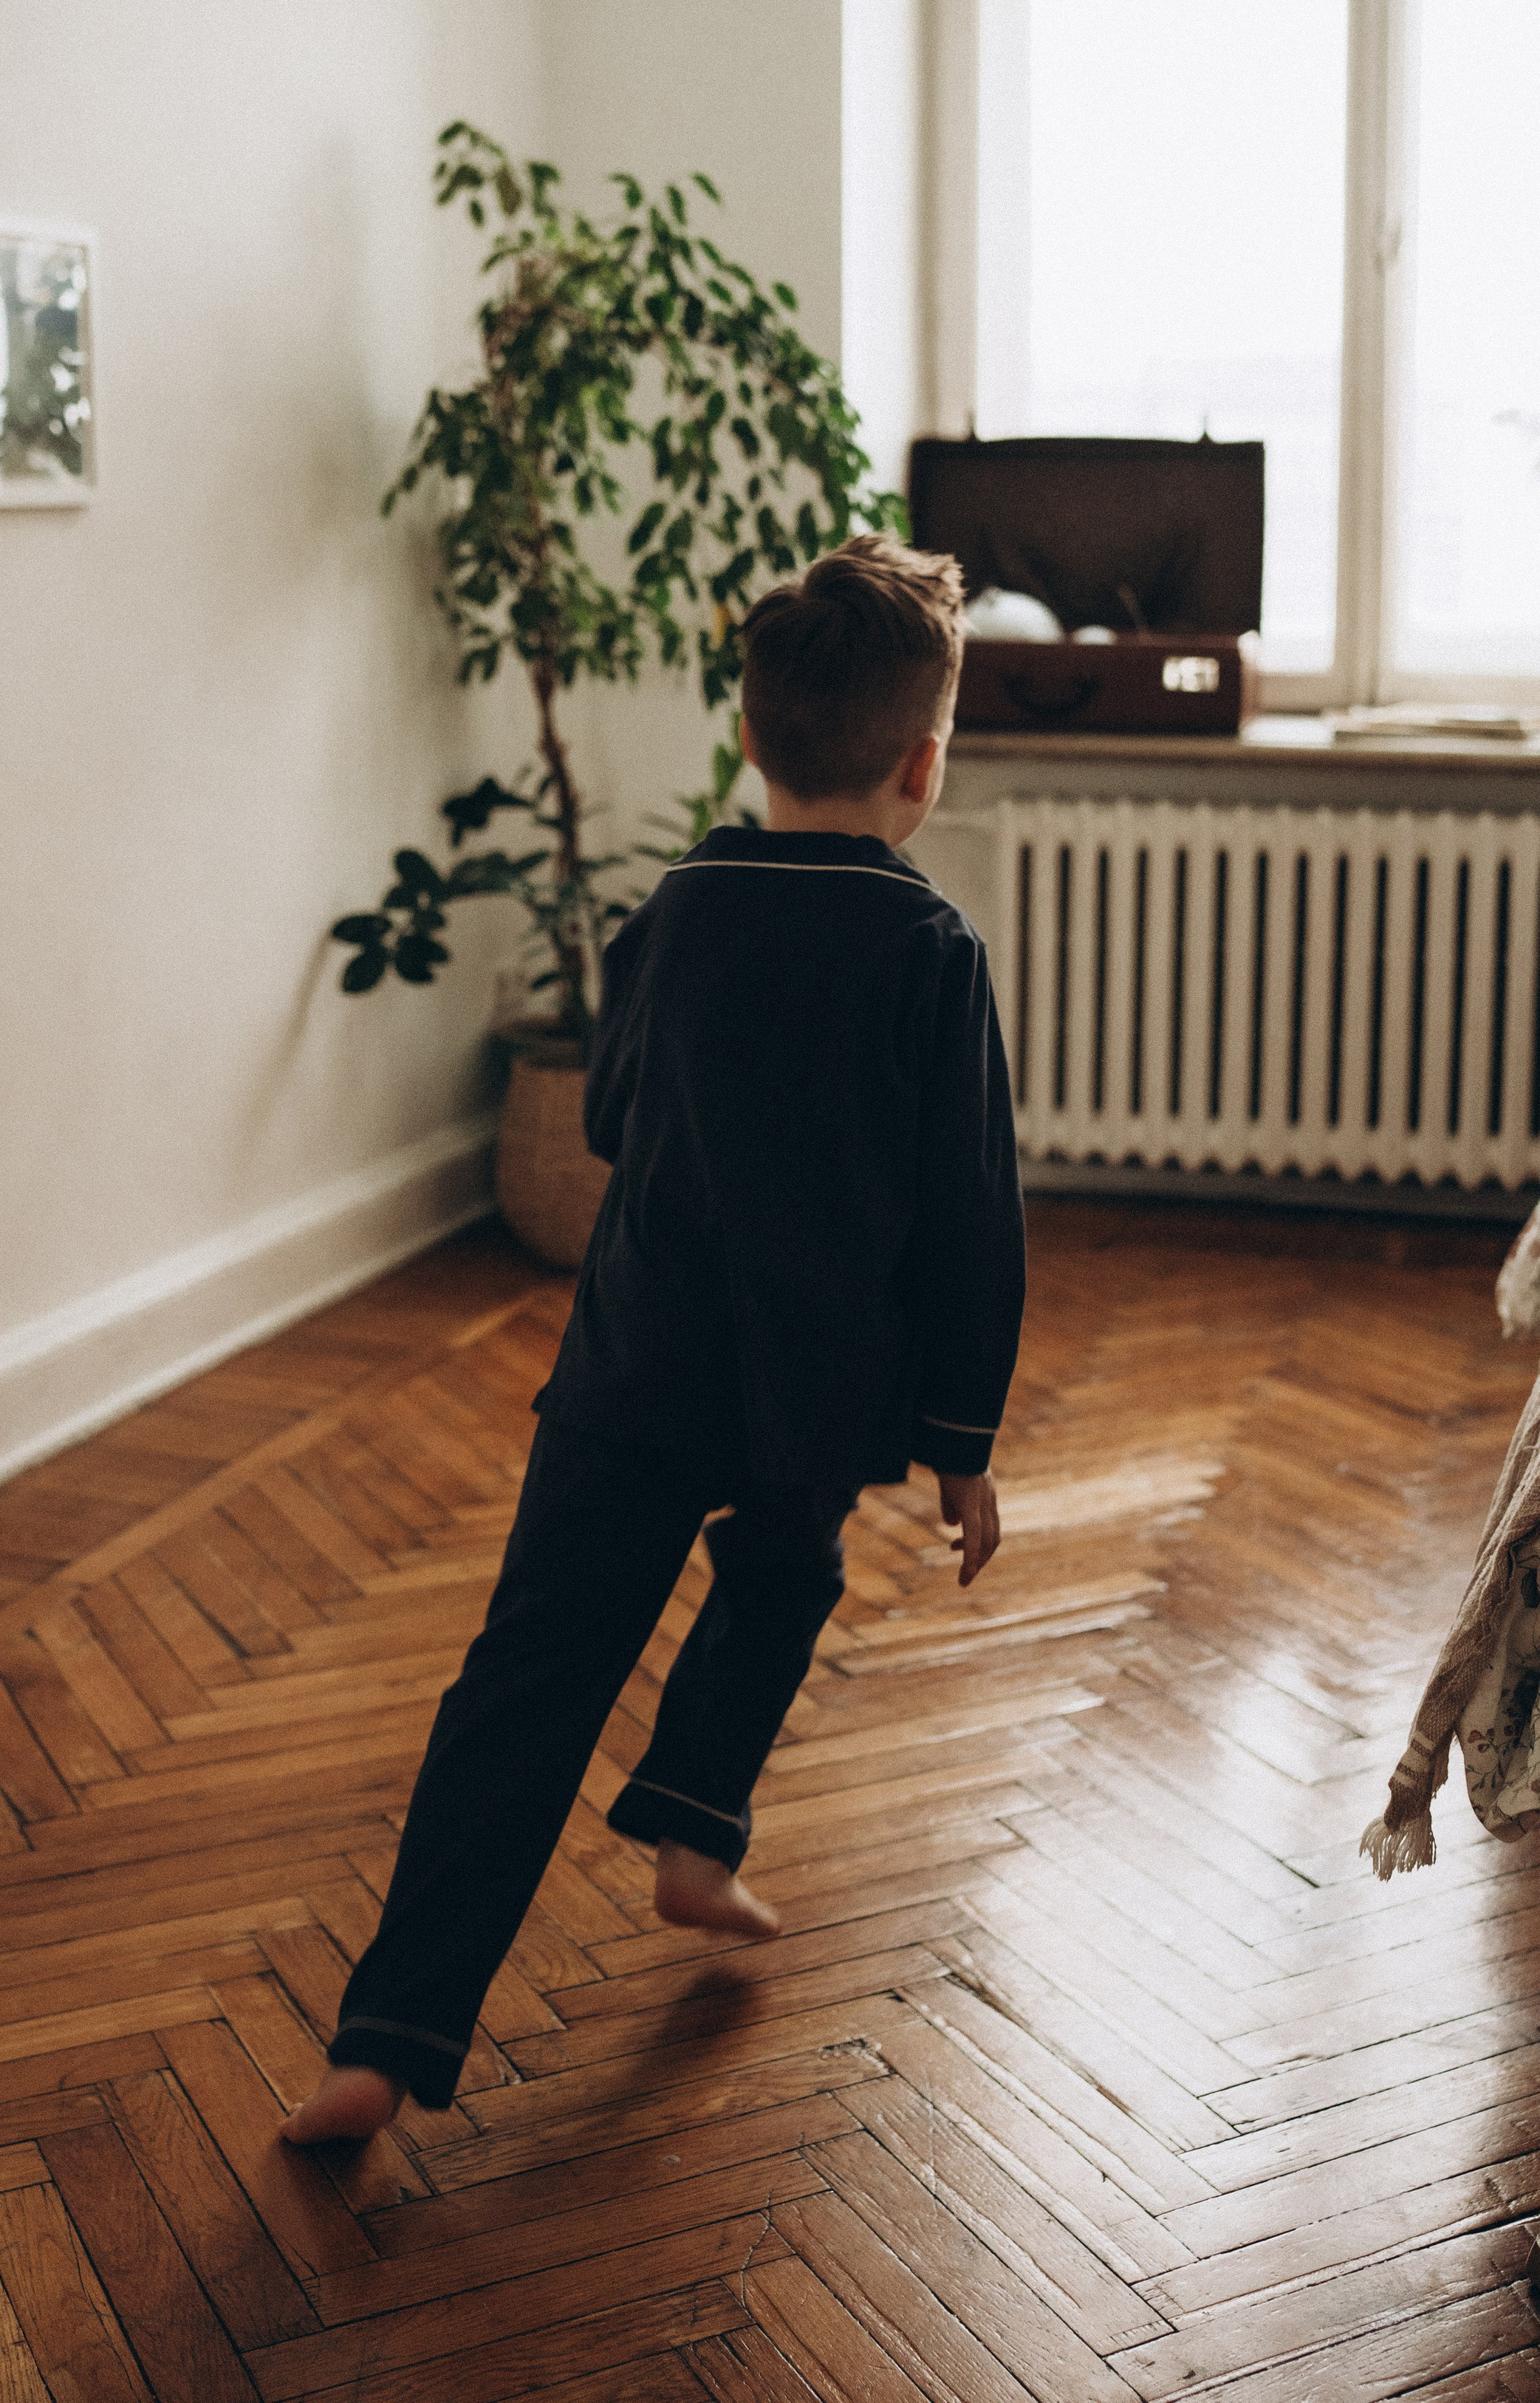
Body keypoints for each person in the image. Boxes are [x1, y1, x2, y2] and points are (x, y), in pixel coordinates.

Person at [284, 534, 1027, 2141]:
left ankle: (384, 2038)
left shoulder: (677, 910)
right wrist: (962, 1441)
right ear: (924, 764)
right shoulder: (930, 951)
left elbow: (613, 1116)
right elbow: (971, 1210)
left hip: (634, 1367)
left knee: (528, 1677)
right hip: (816, 1385)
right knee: (782, 1578)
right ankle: (695, 1835)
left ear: (750, 738)